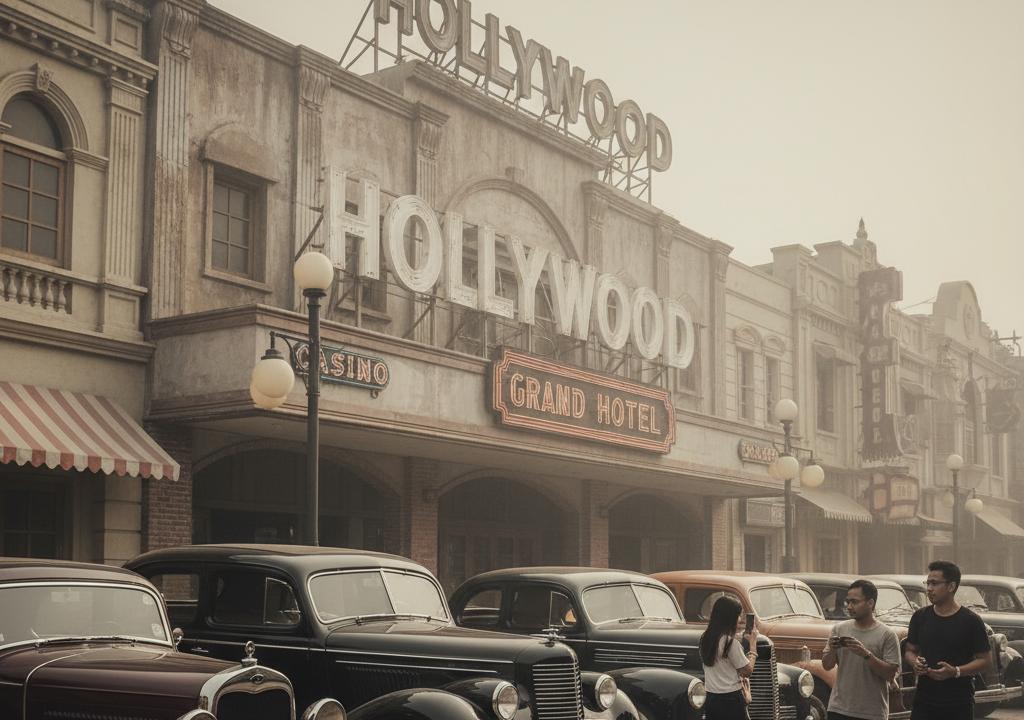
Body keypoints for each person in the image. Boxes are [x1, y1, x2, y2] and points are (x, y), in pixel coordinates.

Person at [904, 560, 990, 720]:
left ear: (951, 586)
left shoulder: (971, 621)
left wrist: (955, 671)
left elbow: (985, 660)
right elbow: (910, 650)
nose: (929, 588)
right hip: (924, 700)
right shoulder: (920, 617)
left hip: (958, 702)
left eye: (935, 583)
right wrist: (915, 662)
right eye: (927, 583)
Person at [821, 579, 901, 720]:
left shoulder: (887, 634)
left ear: (870, 603)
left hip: (872, 712)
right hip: (838, 708)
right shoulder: (839, 629)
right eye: (848, 602)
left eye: (855, 602)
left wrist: (866, 654)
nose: (850, 606)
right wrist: (832, 650)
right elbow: (827, 666)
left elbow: (890, 674)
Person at [699, 595, 758, 720]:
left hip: (711, 698)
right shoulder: (730, 643)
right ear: (729, 618)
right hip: (731, 700)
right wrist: (753, 646)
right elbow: (747, 671)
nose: (740, 619)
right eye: (738, 615)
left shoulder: (705, 639)